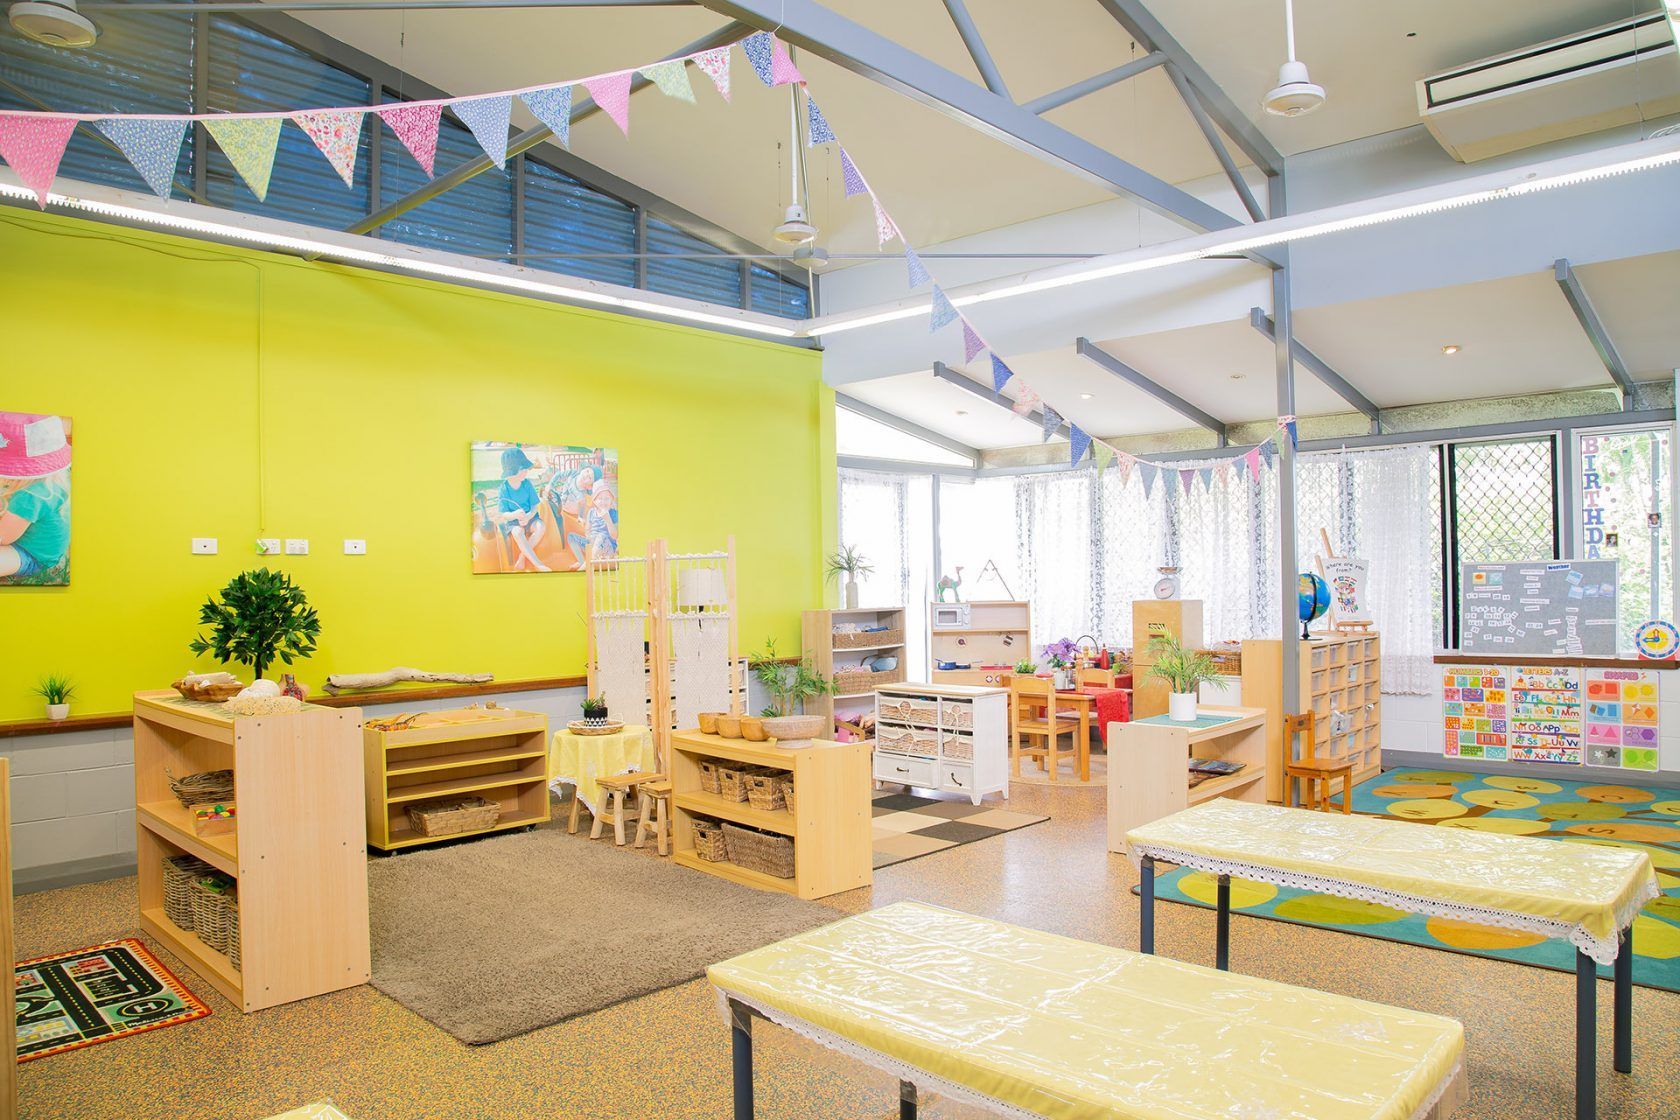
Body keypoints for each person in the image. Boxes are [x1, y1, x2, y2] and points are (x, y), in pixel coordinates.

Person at [0, 412, 71, 584]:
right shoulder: (50, 479)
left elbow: (3, 537)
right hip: (20, 532)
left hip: (31, 553)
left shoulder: (30, 496)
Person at [496, 446, 550, 572]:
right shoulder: (504, 488)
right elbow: (504, 514)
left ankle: (522, 558)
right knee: (517, 532)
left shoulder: (527, 484)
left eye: (526, 468)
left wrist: (528, 516)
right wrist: (515, 514)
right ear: (511, 471)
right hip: (514, 521)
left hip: (530, 517)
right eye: (522, 469)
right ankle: (538, 563)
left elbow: (534, 506)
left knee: (540, 527)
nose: (526, 471)